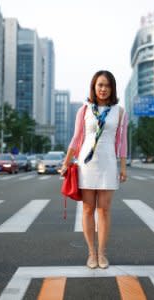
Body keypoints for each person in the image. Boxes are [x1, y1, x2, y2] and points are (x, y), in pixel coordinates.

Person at [61, 70, 128, 269]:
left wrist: (123, 167)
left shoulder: (120, 112)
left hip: (108, 164)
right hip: (86, 164)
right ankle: (91, 253)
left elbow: (122, 142)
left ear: (112, 88)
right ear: (93, 86)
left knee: (104, 210)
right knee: (88, 209)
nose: (103, 89)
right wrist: (66, 162)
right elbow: (76, 138)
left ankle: (102, 253)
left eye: (107, 85)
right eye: (100, 85)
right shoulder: (84, 110)